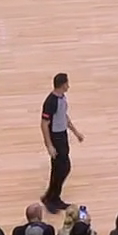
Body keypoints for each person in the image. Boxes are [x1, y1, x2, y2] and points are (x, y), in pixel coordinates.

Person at [41, 73, 85, 213]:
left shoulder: (62, 98)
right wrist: (49, 145)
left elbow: (63, 116)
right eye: (67, 83)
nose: (68, 86)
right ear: (62, 85)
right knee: (62, 168)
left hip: (62, 135)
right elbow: (44, 124)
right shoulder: (51, 102)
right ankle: (52, 198)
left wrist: (75, 132)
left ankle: (51, 196)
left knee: (60, 168)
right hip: (56, 137)